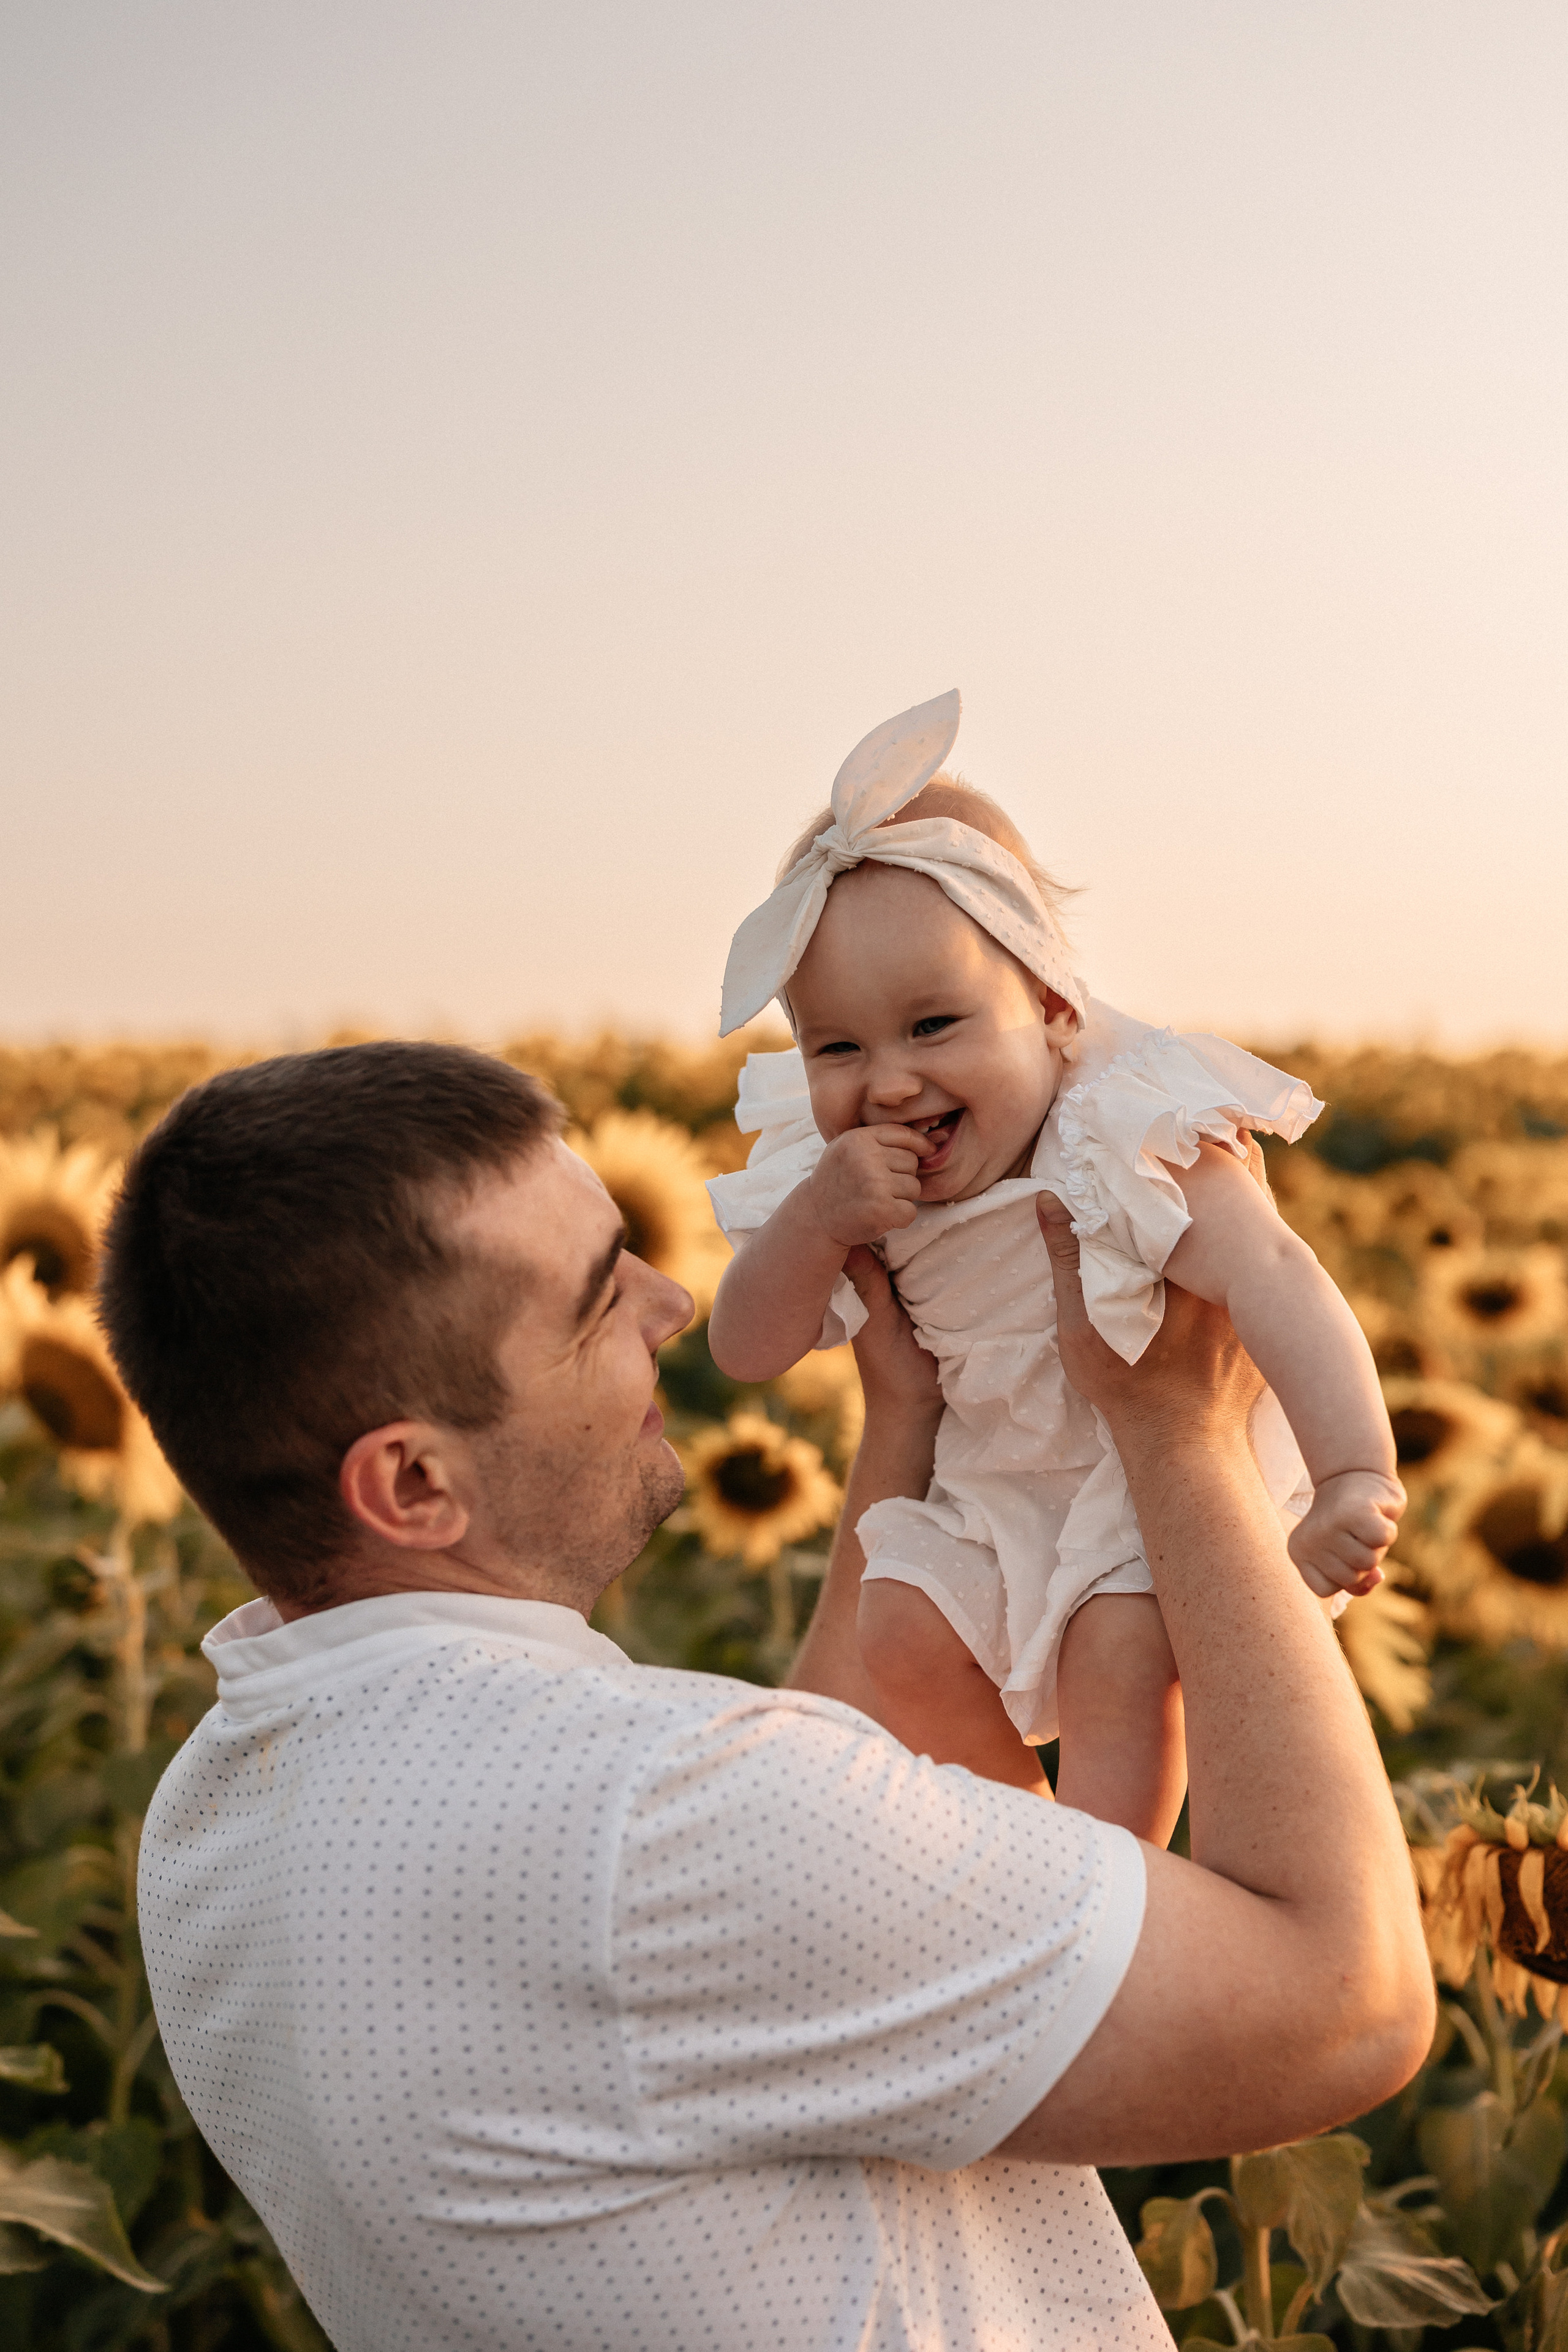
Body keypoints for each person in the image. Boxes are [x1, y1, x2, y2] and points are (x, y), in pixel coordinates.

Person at [110, 1039, 1431, 2352]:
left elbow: (767, 1909)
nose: (670, 1303)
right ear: (412, 1487)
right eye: (591, 1303)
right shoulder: (653, 1819)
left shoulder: (213, 1814)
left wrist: (903, 1431)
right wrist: (1180, 1439)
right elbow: (1341, 2004)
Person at [707, 688, 1405, 1837]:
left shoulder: (1119, 1137)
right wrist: (813, 1224)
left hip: (1134, 1493)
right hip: (985, 1492)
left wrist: (1353, 1473)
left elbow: (1279, 1277)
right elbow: (745, 1349)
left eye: (934, 1027)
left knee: (1118, 1654)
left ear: (1048, 1004)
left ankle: (1119, 1889)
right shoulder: (846, 1186)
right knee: (895, 1623)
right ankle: (1030, 1851)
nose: (886, 1081)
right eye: (838, 1046)